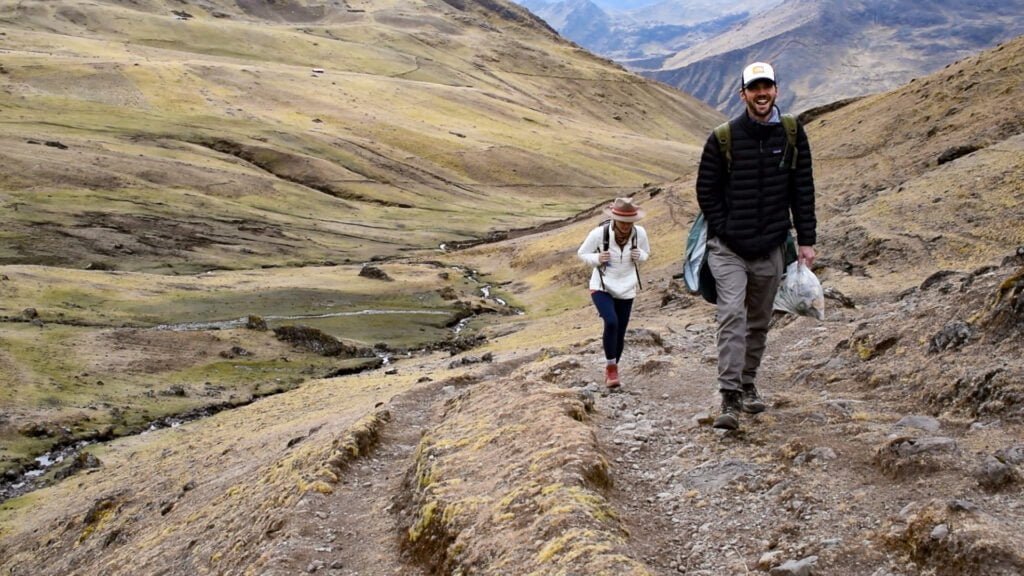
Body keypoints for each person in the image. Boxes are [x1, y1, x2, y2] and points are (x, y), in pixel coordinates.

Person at [695, 62, 817, 430]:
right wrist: (726, 229)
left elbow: (803, 189)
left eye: (767, 87)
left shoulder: (793, 134)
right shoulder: (723, 138)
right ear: (743, 94)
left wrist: (807, 240)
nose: (761, 94)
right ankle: (729, 397)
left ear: (776, 90)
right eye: (754, 88)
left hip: (772, 246)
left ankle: (748, 385)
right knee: (732, 314)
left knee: (760, 321)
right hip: (728, 247)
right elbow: (706, 191)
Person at [577, 198, 651, 390]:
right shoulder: (599, 234)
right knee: (611, 322)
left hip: (627, 288)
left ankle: (614, 365)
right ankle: (611, 369)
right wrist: (596, 258)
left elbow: (646, 254)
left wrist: (639, 256)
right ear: (614, 219)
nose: (626, 226)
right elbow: (582, 253)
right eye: (622, 222)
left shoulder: (639, 233)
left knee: (621, 331)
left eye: (629, 222)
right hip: (601, 286)